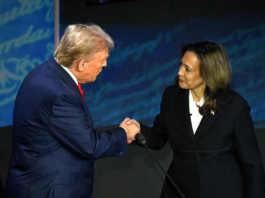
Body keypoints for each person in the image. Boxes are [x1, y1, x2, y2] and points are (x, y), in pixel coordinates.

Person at [5, 24, 140, 198]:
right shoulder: (60, 94)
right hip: (49, 189)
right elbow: (89, 145)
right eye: (102, 60)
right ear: (82, 64)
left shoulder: (45, 71)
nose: (105, 65)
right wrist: (123, 133)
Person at [129, 40, 265, 198]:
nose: (180, 72)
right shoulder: (172, 96)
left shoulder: (235, 107)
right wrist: (138, 130)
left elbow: (252, 164)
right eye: (181, 65)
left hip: (222, 190)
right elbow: (159, 137)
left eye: (187, 69)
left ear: (208, 74)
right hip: (179, 190)